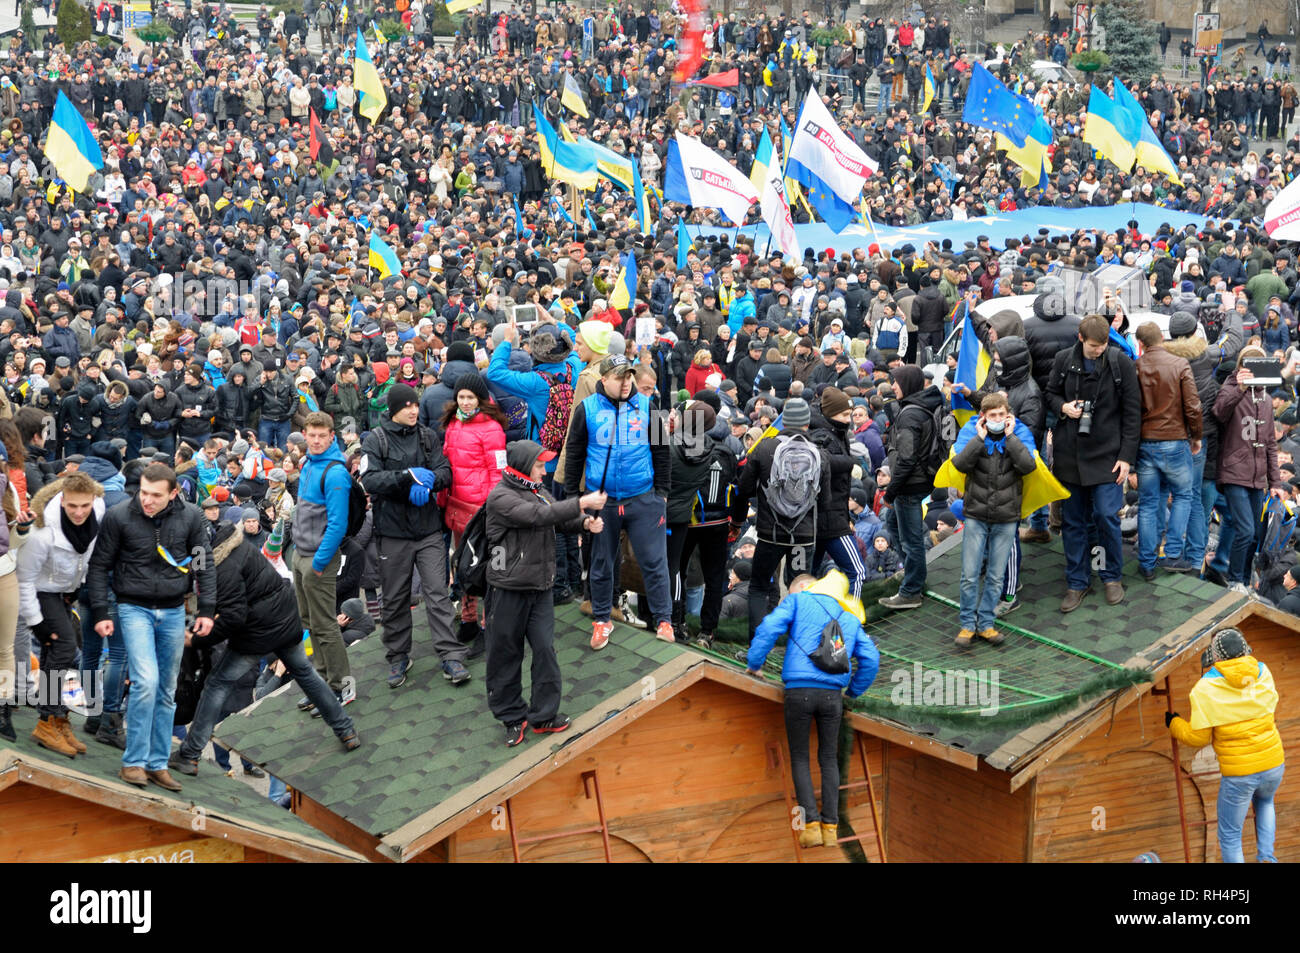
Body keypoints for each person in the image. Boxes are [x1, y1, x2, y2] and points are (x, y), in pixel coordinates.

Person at [168, 515, 360, 777]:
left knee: (217, 684)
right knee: (306, 674)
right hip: (284, 618)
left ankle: (189, 755)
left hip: (258, 632)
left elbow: (234, 616)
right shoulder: (236, 545)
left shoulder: (219, 568)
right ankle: (346, 730)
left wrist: (197, 639)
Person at [88, 462, 216, 792]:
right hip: (133, 607)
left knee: (167, 688)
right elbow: (99, 565)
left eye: (155, 495)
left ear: (173, 494)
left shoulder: (190, 517)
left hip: (174, 609)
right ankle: (133, 762)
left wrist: (207, 609)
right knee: (145, 680)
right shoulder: (119, 516)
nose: (147, 500)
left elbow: (204, 563)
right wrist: (102, 611)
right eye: (143, 492)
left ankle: (157, 763)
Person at [484, 440, 607, 746]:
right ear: (524, 467)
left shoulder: (537, 490)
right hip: (507, 590)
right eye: (539, 465)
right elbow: (537, 516)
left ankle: (543, 716)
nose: (544, 470)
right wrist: (582, 503)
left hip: (540, 588)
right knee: (506, 655)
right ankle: (511, 717)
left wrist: (584, 523)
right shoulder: (501, 497)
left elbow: (556, 516)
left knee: (545, 651)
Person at [746, 571, 879, 848]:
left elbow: (769, 628)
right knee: (828, 759)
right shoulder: (849, 616)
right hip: (833, 696)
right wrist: (852, 691)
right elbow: (871, 660)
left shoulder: (799, 602)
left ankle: (810, 826)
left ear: (809, 587)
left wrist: (755, 663)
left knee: (800, 758)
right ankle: (831, 828)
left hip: (799, 692)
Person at [358, 383, 467, 688]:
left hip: (428, 530)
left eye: (416, 405)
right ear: (393, 409)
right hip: (392, 534)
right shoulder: (376, 440)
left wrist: (430, 482)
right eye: (407, 406)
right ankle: (397, 656)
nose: (413, 410)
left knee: (437, 594)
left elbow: (445, 471)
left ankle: (450, 655)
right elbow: (370, 480)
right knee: (394, 599)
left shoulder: (427, 436)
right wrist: (408, 479)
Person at [562, 354, 674, 650]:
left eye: (629, 376)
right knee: (601, 563)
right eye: (619, 377)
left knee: (654, 561)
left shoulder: (649, 406)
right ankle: (602, 619)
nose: (626, 383)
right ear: (604, 380)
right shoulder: (587, 409)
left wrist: (661, 494)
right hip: (603, 500)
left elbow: (662, 452)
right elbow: (574, 455)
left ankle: (664, 620)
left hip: (643, 497)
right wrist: (575, 500)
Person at [1045, 314, 1141, 613]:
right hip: (1069, 455)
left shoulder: (1119, 362)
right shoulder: (1063, 360)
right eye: (1093, 346)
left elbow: (1133, 412)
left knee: (1105, 516)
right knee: (1072, 522)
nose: (1098, 350)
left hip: (1108, 456)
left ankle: (1112, 576)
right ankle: (1077, 581)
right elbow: (1049, 393)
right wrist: (1063, 407)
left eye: (1102, 345)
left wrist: (1126, 457)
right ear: (1080, 338)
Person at [1168, 627, 1285, 863]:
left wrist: (1174, 723)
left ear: (1217, 658)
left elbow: (1198, 738)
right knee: (1265, 802)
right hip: (1273, 763)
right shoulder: (1263, 672)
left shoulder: (1206, 687)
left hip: (1240, 774)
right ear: (1245, 650)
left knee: (1231, 835)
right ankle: (1267, 859)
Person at [729, 396, 832, 643]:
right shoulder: (820, 454)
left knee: (758, 587)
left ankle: (758, 646)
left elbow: (743, 489)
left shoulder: (764, 448)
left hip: (770, 532)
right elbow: (825, 502)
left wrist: (737, 522)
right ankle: (799, 646)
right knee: (799, 591)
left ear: (784, 419)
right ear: (807, 423)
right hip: (803, 535)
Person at [16, 473, 105, 758]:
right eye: (72, 506)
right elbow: (25, 578)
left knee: (56, 650)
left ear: (93, 501)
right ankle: (46, 721)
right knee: (65, 647)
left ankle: (57, 719)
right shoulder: (43, 532)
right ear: (62, 501)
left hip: (66, 590)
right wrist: (36, 622)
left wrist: (77, 587)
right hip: (41, 590)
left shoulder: (98, 511)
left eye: (85, 506)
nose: (79, 512)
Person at [949, 393, 1036, 646]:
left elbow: (1028, 465)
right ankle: (967, 625)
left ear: (1007, 415)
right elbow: (960, 464)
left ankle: (986, 623)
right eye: (992, 416)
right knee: (969, 573)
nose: (997, 419)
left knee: (997, 575)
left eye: (1001, 415)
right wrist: (980, 438)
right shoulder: (971, 431)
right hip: (976, 513)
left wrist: (1009, 437)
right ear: (983, 417)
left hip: (1006, 516)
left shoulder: (1019, 433)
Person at [292, 411, 355, 710]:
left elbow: (338, 524)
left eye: (322, 435)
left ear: (332, 436)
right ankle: (321, 683)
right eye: (311, 435)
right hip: (300, 555)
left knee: (326, 626)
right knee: (309, 624)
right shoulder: (306, 464)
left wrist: (318, 563)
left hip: (319, 560)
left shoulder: (335, 472)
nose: (316, 441)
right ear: (304, 434)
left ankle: (342, 687)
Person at [440, 371, 507, 646]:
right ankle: (468, 620)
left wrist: (493, 508)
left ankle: (488, 624)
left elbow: (498, 472)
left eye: (470, 397)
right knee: (463, 567)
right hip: (457, 507)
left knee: (487, 570)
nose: (465, 402)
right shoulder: (453, 424)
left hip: (481, 510)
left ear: (480, 399)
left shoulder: (492, 428)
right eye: (461, 397)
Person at [1213, 346, 1287, 590]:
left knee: (1255, 533)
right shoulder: (1230, 387)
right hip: (1233, 471)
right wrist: (1241, 387)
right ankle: (1234, 580)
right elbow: (1219, 412)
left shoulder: (1266, 399)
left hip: (1258, 476)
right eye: (1248, 363)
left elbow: (1270, 444)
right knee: (1244, 529)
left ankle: (1244, 580)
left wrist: (1275, 483)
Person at [1133, 321, 1202, 580]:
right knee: (1184, 495)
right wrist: (1196, 436)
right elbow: (1193, 406)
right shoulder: (1179, 364)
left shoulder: (1137, 367)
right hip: (1175, 440)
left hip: (1146, 441)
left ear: (1141, 343)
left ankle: (1147, 563)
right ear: (1162, 338)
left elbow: (1132, 408)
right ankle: (1173, 555)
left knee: (1149, 503)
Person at [665, 399, 737, 648]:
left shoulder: (678, 445)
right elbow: (736, 488)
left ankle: (677, 621)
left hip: (689, 519)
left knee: (677, 570)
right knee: (714, 576)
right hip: (718, 522)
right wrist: (736, 521)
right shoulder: (724, 451)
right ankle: (708, 630)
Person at [878, 365, 945, 610]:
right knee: (894, 524)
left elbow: (906, 458)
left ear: (906, 383)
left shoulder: (909, 415)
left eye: (896, 382)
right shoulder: (917, 407)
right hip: (918, 480)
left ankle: (911, 590)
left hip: (909, 484)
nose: (892, 386)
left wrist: (891, 491)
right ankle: (912, 575)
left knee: (911, 540)